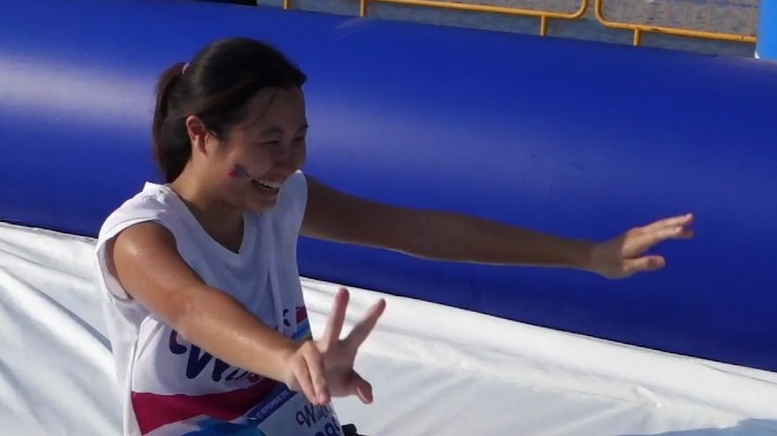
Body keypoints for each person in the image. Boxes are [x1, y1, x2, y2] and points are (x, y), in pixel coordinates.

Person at [95, 36, 697, 435]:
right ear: (202, 135)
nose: (289, 159)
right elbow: (195, 307)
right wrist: (292, 360)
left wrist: (588, 254)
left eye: (299, 137)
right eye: (270, 142)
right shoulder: (141, 236)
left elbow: (419, 229)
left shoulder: (280, 200)